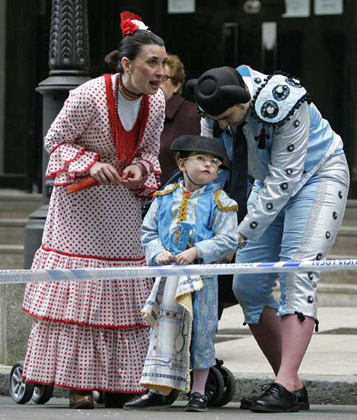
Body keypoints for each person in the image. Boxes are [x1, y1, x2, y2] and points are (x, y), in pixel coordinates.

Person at [22, 11, 167, 409]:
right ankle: (76, 384)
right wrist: (90, 163)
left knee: (120, 288)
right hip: (79, 207)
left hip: (120, 205)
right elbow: (55, 140)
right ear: (126, 64)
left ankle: (121, 380)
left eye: (163, 63)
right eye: (152, 62)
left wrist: (140, 167)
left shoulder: (154, 104)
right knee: (80, 289)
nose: (160, 72)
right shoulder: (88, 95)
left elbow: (150, 151)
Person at [186, 66, 350, 413]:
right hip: (264, 181)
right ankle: (290, 384)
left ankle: (285, 383)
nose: (225, 125)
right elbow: (214, 168)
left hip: (316, 175)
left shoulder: (287, 101)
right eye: (219, 120)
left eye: (229, 118)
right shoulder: (212, 108)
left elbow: (284, 180)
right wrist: (213, 225)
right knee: (248, 285)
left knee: (297, 271)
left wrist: (236, 238)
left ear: (244, 100)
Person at [124, 135, 239, 412]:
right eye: (201, 159)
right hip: (169, 277)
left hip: (202, 280)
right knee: (164, 330)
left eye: (214, 162)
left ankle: (198, 391)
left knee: (201, 330)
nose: (208, 166)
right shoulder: (164, 198)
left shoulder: (221, 201)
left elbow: (229, 238)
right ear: (182, 164)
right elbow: (148, 232)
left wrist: (197, 250)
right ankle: (159, 388)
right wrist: (158, 252)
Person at [159, 54, 200, 181]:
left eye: (162, 77)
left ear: (176, 85)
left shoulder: (192, 114)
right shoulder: (140, 112)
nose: (155, 81)